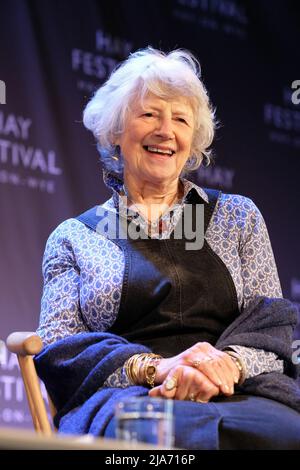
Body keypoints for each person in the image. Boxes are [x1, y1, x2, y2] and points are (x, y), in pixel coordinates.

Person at [35, 47, 300, 449]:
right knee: (154, 437)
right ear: (115, 133)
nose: (166, 131)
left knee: (286, 434)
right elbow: (60, 348)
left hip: (239, 390)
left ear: (192, 141)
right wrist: (158, 369)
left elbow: (272, 326)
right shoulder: (76, 237)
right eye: (149, 115)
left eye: (180, 119)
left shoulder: (237, 217)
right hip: (131, 396)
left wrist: (224, 366)